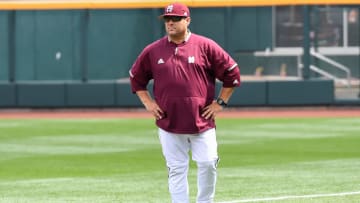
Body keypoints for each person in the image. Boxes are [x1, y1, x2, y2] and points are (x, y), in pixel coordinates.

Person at [129, 2, 240, 203]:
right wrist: (148, 103)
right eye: (167, 19)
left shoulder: (205, 46)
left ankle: (205, 201)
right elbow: (136, 78)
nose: (170, 23)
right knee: (176, 168)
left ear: (187, 20)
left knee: (208, 163)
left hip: (201, 120)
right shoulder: (153, 50)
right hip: (168, 121)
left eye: (176, 19)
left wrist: (220, 102)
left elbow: (232, 74)